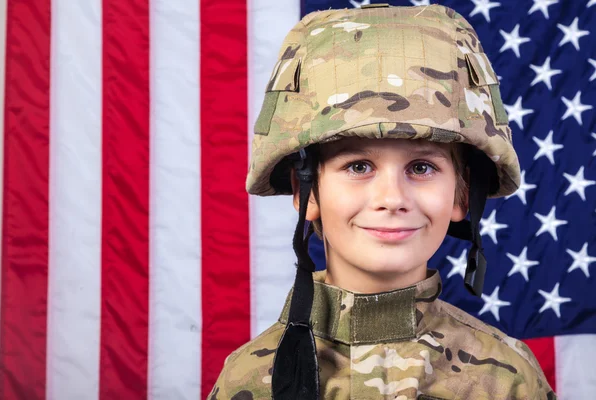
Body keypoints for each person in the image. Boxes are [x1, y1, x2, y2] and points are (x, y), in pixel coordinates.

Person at [208, 3, 556, 399]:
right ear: (307, 192)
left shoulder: (506, 380)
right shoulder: (252, 377)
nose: (392, 199)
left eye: (422, 168)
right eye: (358, 166)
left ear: (461, 195)